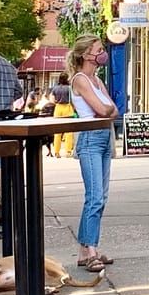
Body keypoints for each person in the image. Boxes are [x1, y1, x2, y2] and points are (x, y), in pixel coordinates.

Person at [68, 34, 119, 270]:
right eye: (98, 49)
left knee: (101, 197)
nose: (102, 54)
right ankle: (91, 251)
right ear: (86, 54)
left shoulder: (97, 81)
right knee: (95, 197)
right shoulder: (80, 80)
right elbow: (101, 109)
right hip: (90, 138)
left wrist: (106, 110)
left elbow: (114, 110)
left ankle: (85, 249)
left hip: (104, 136)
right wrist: (105, 110)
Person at [50, 73, 77, 157]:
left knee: (57, 132)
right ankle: (68, 151)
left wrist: (57, 102)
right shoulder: (69, 88)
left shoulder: (55, 88)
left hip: (58, 108)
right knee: (69, 132)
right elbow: (73, 100)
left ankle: (57, 152)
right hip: (68, 108)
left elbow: (51, 100)